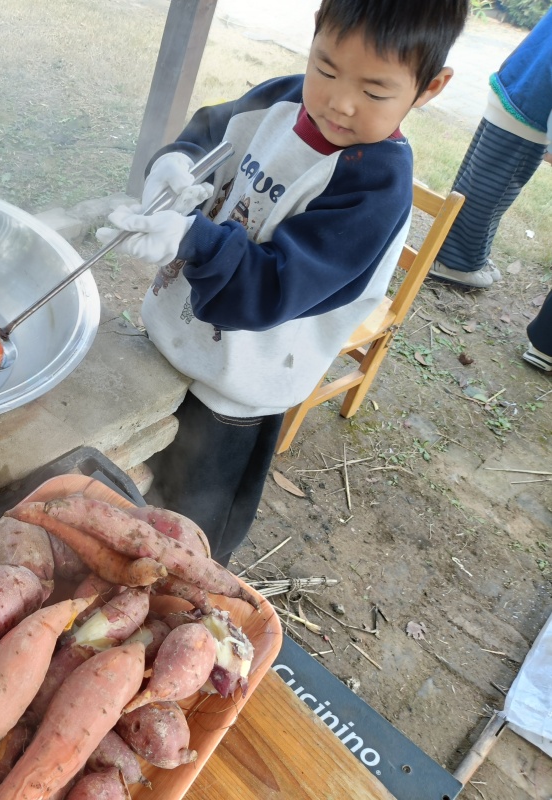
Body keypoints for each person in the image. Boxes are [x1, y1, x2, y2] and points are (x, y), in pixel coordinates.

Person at [97, 0, 468, 567]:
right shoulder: (280, 99)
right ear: (315, 32)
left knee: (187, 538)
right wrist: (175, 165)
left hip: (238, 388)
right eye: (326, 68)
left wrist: (193, 239)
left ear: (429, 88)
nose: (339, 102)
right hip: (170, 336)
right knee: (121, 495)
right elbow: (209, 133)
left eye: (374, 91)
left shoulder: (373, 188)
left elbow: (273, 286)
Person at [428, 9, 552, 289]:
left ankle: (463, 253)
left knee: (473, 184)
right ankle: (456, 264)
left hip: (514, 87)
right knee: (491, 193)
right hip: (532, 109)